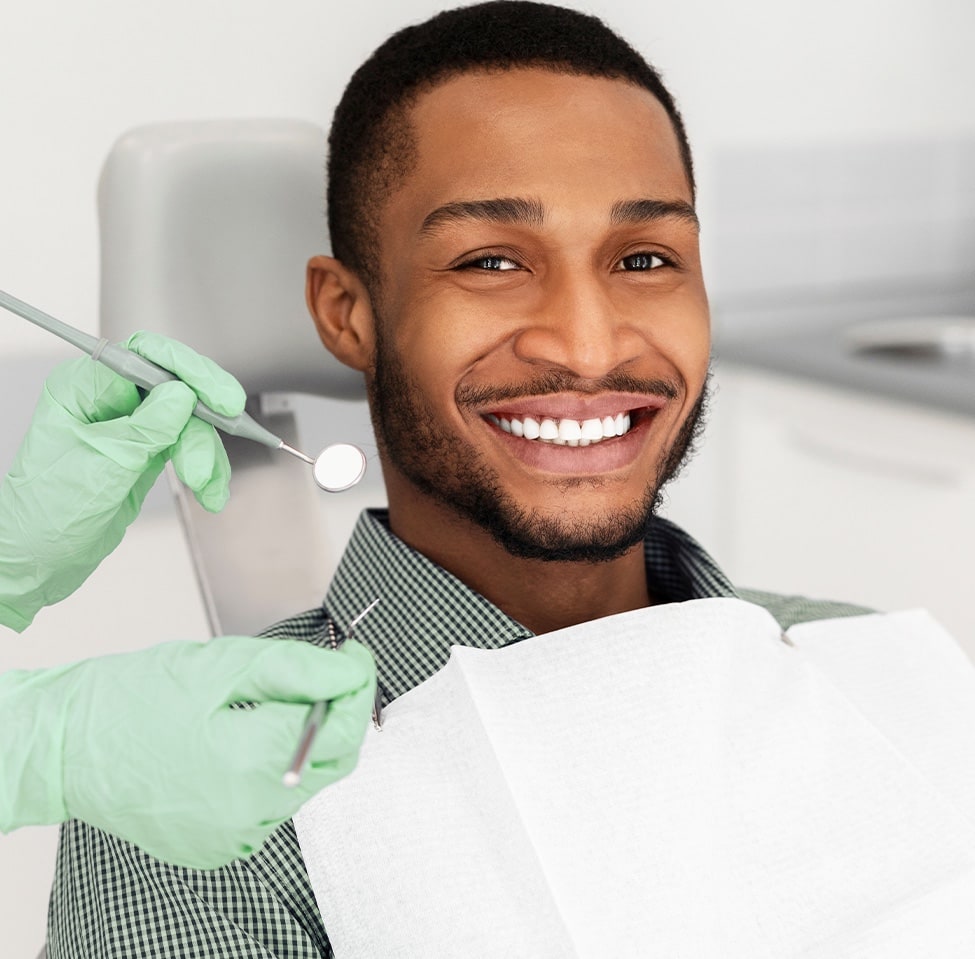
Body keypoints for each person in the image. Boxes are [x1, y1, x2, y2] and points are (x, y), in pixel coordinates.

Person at [9, 2, 868, 956]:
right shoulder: (204, 821)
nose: (587, 345)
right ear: (348, 314)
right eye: (491, 260)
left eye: (644, 257)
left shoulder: (868, 667)